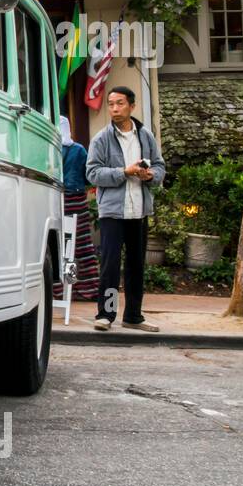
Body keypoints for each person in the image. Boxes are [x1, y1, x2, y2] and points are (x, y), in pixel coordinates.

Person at [85, 86, 166, 332]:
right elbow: (92, 173)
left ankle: (133, 316)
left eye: (120, 103)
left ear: (132, 106)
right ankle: (106, 315)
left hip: (139, 211)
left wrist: (150, 175)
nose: (114, 108)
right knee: (110, 266)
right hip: (113, 213)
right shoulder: (101, 138)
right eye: (111, 104)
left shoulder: (146, 137)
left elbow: (161, 166)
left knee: (136, 266)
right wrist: (124, 172)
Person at [58, 117, 99, 301]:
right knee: (79, 246)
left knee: (61, 246)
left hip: (56, 200)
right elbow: (88, 177)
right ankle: (86, 288)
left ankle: (63, 290)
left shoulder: (51, 148)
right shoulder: (79, 150)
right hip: (77, 202)